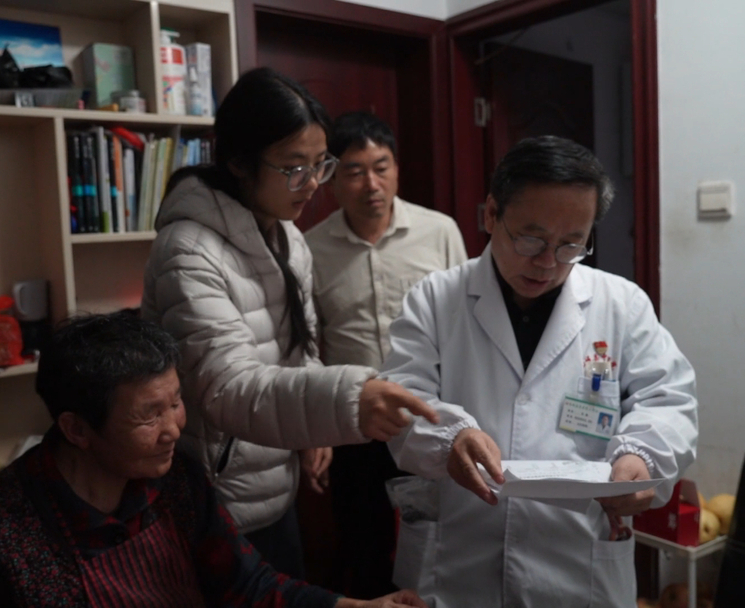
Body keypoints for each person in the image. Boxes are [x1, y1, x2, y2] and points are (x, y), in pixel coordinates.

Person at [142, 68, 439, 579]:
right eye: (294, 168)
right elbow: (226, 387)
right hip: (219, 492)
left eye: (320, 165)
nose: (313, 184)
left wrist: (313, 430)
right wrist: (347, 400)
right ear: (239, 162)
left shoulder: (287, 236)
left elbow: (299, 347)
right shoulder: (188, 250)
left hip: (272, 476)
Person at [383, 136, 698, 607]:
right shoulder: (434, 298)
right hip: (458, 559)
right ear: (492, 214)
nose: (548, 262)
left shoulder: (622, 304)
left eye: (571, 244)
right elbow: (402, 399)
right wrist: (449, 439)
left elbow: (668, 400)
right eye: (531, 239)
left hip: (576, 566)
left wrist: (643, 459)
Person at [0, 311, 428, 608]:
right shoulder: (0, 533)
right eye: (149, 415)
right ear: (76, 429)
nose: (174, 428)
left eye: (175, 403)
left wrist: (355, 606)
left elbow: (247, 587)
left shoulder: (176, 481)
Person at [304, 111, 467, 597]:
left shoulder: (439, 232)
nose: (371, 184)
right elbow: (306, 343)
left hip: (429, 414)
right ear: (332, 179)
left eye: (381, 167)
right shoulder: (310, 248)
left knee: (440, 541)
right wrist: (314, 428)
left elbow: (465, 324)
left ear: (396, 168)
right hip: (352, 420)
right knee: (363, 545)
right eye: (355, 171)